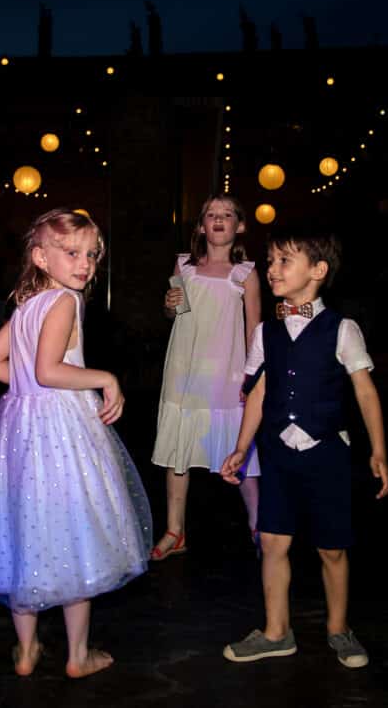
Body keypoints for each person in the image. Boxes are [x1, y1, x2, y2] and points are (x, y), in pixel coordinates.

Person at [0, 209, 152, 678]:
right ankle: (77, 655)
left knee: (26, 531)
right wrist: (105, 378)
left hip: (21, 430)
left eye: (91, 255)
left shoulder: (27, 305)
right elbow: (50, 370)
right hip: (61, 430)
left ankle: (26, 651)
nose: (84, 264)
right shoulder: (65, 302)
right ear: (40, 257)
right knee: (75, 531)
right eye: (71, 253)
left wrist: (27, 389)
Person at [219, 229, 388, 669]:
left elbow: (365, 391)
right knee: (272, 541)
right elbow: (258, 392)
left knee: (331, 548)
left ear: (317, 271)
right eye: (270, 261)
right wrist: (241, 447)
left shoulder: (342, 329)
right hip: (278, 454)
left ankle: (338, 628)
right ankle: (276, 632)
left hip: (326, 453)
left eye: (284, 261)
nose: (272, 270)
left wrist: (378, 450)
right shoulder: (266, 332)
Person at [150, 195, 262, 560]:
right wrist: (169, 306)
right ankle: (175, 531)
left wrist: (251, 377)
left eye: (227, 214)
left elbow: (254, 330)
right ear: (201, 226)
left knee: (239, 451)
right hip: (185, 372)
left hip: (227, 376)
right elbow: (176, 312)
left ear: (239, 226)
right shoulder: (183, 265)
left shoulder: (246, 274)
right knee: (177, 452)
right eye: (211, 214)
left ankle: (259, 524)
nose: (218, 219)